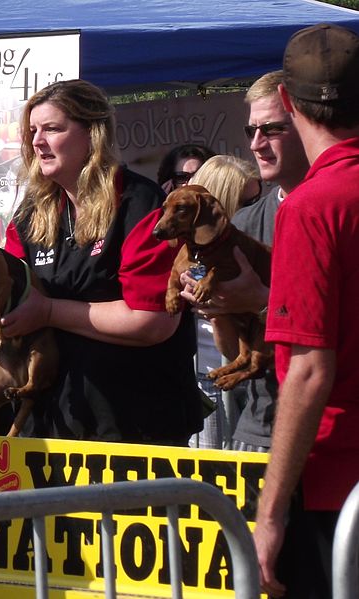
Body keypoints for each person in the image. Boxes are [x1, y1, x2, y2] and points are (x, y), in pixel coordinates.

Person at [0, 79, 203, 444]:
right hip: (49, 424)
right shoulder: (31, 215)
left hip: (134, 425)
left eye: (52, 129)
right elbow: (16, 316)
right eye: (33, 130)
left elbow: (153, 322)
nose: (37, 141)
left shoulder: (139, 204)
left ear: (92, 134)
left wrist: (50, 311)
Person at [251, 24, 359, 598]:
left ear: (289, 104)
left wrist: (269, 517)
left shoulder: (313, 207)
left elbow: (309, 369)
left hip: (334, 491)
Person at [182, 71, 309, 454]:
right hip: (258, 426)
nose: (256, 144)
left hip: (327, 431)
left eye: (271, 129)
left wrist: (260, 302)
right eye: (251, 129)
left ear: (308, 126)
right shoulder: (245, 225)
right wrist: (216, 308)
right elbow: (228, 345)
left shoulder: (340, 210)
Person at [182, 155, 261, 449]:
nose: (256, 210)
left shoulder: (252, 245)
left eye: (258, 198)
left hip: (254, 373)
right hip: (210, 375)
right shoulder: (192, 250)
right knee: (218, 479)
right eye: (246, 202)